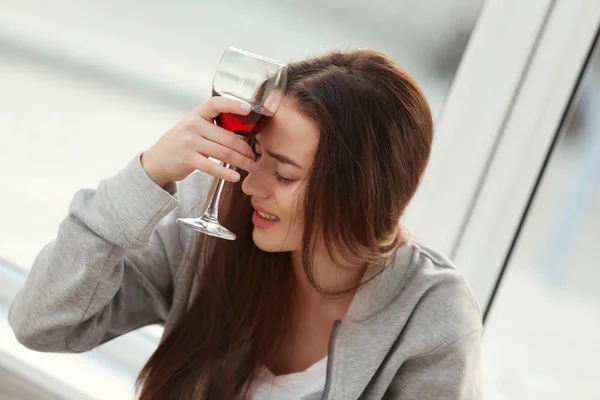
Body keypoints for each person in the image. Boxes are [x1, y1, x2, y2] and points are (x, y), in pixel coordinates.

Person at [8, 49, 482, 399]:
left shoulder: (431, 315)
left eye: (285, 173)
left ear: (360, 192)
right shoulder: (212, 222)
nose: (251, 184)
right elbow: (42, 323)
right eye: (256, 155)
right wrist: (148, 174)